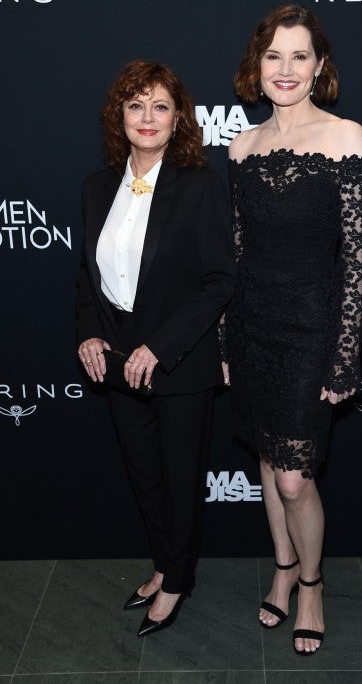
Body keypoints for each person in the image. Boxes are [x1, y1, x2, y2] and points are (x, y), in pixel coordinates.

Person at [225, 4, 362, 655]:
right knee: (265, 457)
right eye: (274, 55)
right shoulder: (240, 147)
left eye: (299, 56)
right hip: (252, 326)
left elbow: (356, 262)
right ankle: (282, 569)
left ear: (320, 67)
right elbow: (234, 256)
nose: (286, 69)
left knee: (294, 476)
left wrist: (345, 358)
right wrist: (227, 341)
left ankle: (310, 581)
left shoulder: (346, 137)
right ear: (257, 67)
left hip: (313, 329)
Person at [76, 60, 235, 637]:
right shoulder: (97, 187)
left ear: (178, 119)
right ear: (120, 115)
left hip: (179, 364)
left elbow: (221, 279)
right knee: (143, 476)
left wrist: (159, 347)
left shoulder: (197, 185)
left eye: (160, 106)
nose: (147, 117)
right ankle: (163, 564)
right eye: (136, 104)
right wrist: (89, 330)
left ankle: (177, 582)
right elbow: (88, 275)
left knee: (179, 478)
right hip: (117, 362)